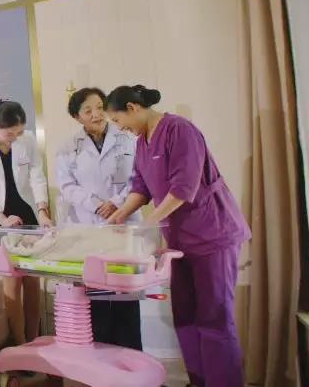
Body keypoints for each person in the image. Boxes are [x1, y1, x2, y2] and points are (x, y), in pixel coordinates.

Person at [104, 85, 250, 387]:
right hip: (180, 242)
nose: (119, 128)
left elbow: (184, 188)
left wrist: (148, 224)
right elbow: (141, 186)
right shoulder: (142, 142)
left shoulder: (180, 130)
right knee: (185, 315)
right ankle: (198, 380)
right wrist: (120, 214)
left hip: (212, 235)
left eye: (118, 120)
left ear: (132, 108)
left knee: (214, 317)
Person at [55, 87, 142, 350]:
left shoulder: (128, 139)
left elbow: (139, 177)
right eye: (88, 110)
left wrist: (116, 203)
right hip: (89, 225)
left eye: (100, 107)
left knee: (126, 295)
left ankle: (130, 359)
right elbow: (66, 186)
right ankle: (103, 361)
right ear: (77, 117)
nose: (96, 114)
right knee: (98, 297)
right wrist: (95, 205)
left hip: (124, 219)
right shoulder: (67, 148)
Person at [0, 99, 52, 346]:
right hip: (1, 220)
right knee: (12, 282)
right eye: (9, 134)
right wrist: (4, 219)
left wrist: (43, 210)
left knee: (33, 280)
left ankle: (34, 340)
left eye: (19, 132)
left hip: (28, 215)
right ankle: (19, 343)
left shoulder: (28, 140)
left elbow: (37, 176)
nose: (14, 138)